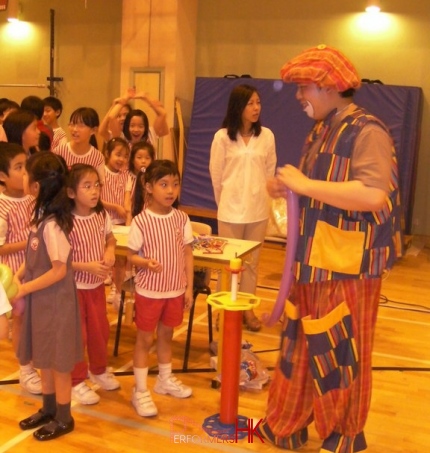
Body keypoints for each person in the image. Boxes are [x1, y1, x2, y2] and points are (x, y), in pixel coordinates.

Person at [258, 45, 402, 453]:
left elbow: (374, 195)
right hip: (314, 262)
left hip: (348, 268)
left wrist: (305, 186)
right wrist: (287, 186)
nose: (299, 96)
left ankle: (344, 435)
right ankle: (286, 425)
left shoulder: (367, 130)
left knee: (341, 352)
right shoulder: (323, 128)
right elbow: (324, 191)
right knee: (299, 347)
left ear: (327, 86)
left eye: (304, 88)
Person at [13, 152, 83, 441]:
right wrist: (19, 273)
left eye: (26, 173)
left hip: (56, 304)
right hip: (41, 303)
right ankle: (49, 408)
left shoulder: (53, 226)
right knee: (44, 358)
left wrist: (26, 287)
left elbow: (58, 270)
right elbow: (32, 256)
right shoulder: (39, 219)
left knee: (59, 363)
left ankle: (64, 417)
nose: (23, 177)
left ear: (36, 187)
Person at [127, 160, 194, 417]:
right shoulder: (141, 221)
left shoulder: (181, 218)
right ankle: (140, 390)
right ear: (149, 188)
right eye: (164, 184)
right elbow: (131, 256)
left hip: (175, 291)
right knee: (145, 339)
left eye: (175, 184)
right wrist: (145, 262)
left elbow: (187, 253)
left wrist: (187, 288)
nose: (170, 191)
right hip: (149, 292)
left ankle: (164, 380)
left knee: (167, 336)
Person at [209, 83, 277, 331]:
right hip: (230, 211)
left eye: (258, 102)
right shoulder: (222, 137)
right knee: (229, 264)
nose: (256, 107)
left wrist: (262, 201)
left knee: (251, 264)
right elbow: (216, 176)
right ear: (238, 106)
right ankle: (223, 312)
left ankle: (247, 311)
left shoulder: (266, 136)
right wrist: (225, 203)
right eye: (250, 103)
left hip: (258, 211)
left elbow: (269, 172)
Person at [66, 163, 119, 405]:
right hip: (74, 289)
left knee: (100, 331)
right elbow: (60, 261)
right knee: (78, 336)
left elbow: (111, 237)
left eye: (96, 185)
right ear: (71, 192)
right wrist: (86, 266)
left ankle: (98, 370)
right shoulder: (65, 221)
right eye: (86, 186)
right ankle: (76, 380)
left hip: (97, 287)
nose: (94, 191)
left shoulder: (101, 215)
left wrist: (110, 250)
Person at [0, 142, 41, 394]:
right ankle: (25, 370)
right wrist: (31, 242)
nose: (26, 172)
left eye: (26, 165)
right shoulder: (2, 206)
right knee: (21, 321)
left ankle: (34, 361)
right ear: (2, 176)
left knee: (34, 321)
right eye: (19, 168)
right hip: (15, 276)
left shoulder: (34, 199)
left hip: (37, 271)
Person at [100, 137, 129, 307]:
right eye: (118, 154)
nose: (122, 159)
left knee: (120, 260)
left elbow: (127, 200)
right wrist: (115, 206)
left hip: (120, 224)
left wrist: (126, 214)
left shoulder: (126, 176)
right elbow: (97, 199)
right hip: (104, 222)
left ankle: (117, 292)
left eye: (125, 156)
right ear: (107, 154)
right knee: (104, 257)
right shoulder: (101, 172)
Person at [52, 107, 105, 184]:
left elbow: (99, 185)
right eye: (72, 124)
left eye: (81, 126)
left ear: (93, 130)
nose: (75, 129)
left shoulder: (98, 158)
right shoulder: (59, 152)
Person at [124, 140, 155, 225]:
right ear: (133, 160)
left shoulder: (153, 178)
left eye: (147, 158)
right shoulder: (127, 176)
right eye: (139, 157)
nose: (143, 161)